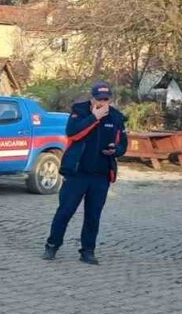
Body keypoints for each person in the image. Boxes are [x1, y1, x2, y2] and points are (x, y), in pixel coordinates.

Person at [43, 82, 127, 264]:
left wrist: (116, 150)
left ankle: (88, 251)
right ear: (92, 98)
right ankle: (52, 245)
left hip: (101, 175)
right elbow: (72, 133)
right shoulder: (79, 111)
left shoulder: (116, 117)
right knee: (65, 211)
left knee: (93, 216)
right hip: (77, 173)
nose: (102, 103)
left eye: (105, 99)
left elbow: (123, 144)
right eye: (99, 99)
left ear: (110, 99)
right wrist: (94, 117)